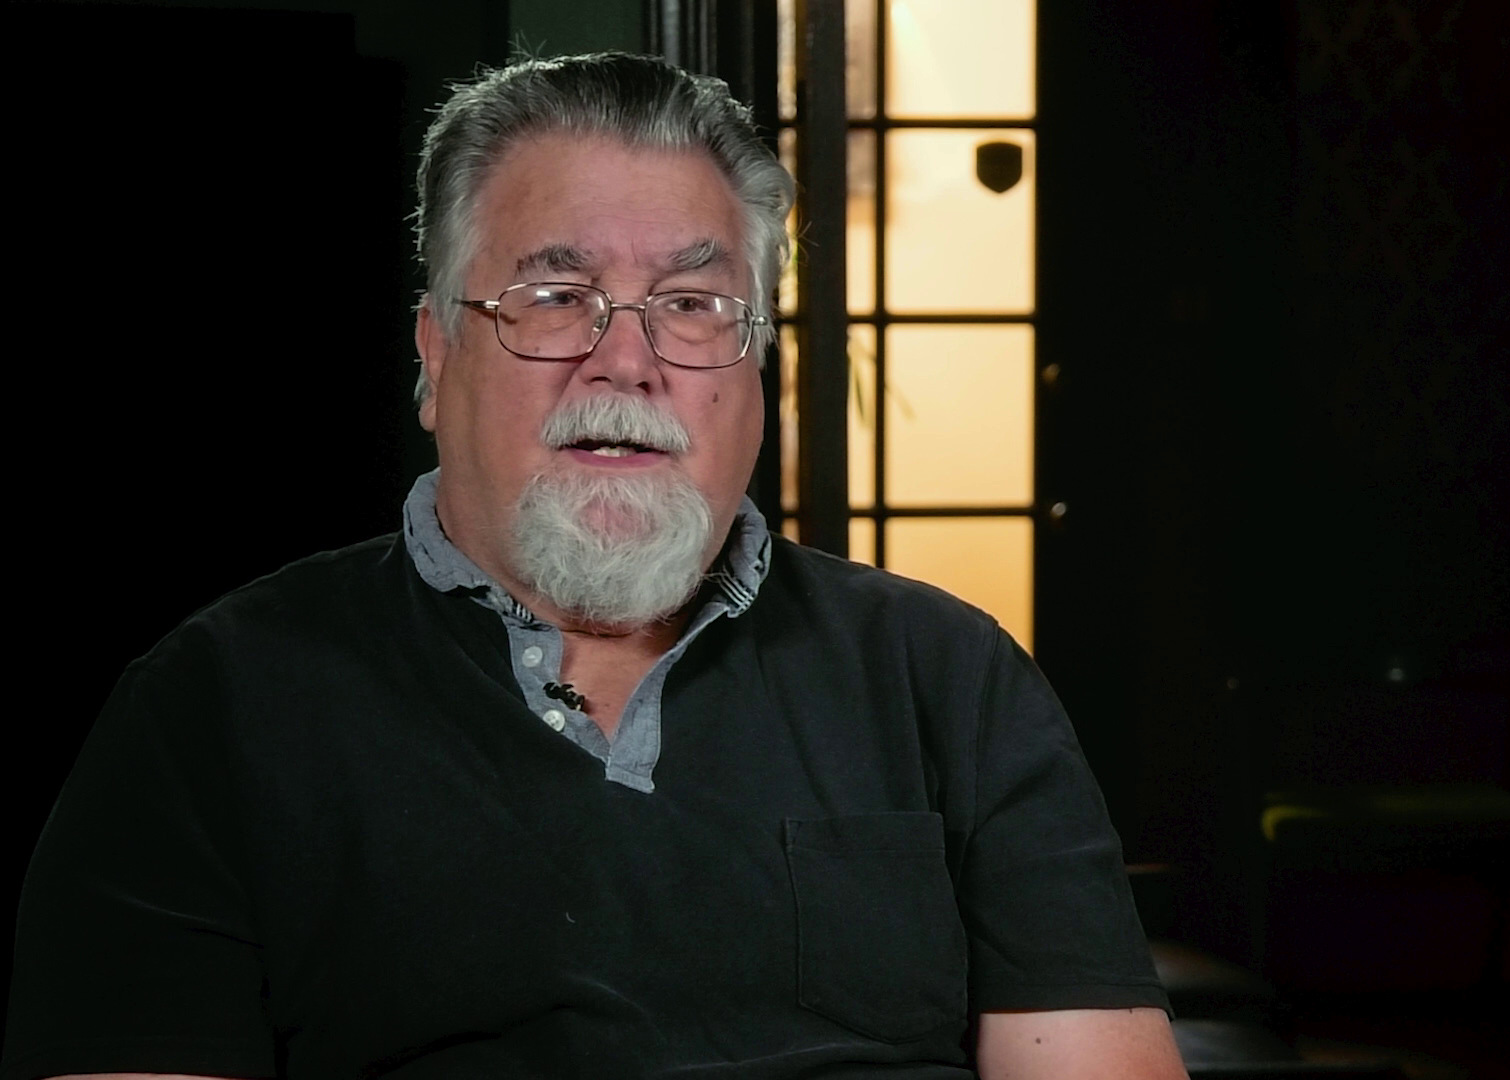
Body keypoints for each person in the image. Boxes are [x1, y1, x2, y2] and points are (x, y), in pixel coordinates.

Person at [1, 53, 1184, 1080]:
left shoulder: (948, 678)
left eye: (693, 302)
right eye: (557, 297)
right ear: (436, 354)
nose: (627, 361)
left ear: (755, 365)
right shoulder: (213, 709)